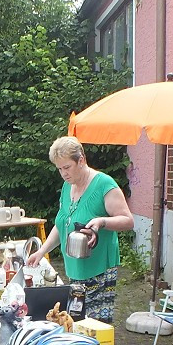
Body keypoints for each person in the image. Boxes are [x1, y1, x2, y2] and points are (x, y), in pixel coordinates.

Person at [25, 136, 133, 323]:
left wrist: (102, 221)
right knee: (76, 322)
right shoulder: (67, 187)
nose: (63, 174)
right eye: (59, 169)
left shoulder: (104, 184)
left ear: (81, 160)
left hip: (99, 269)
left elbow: (128, 221)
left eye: (67, 167)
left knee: (94, 326)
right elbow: (62, 225)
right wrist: (42, 251)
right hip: (75, 269)